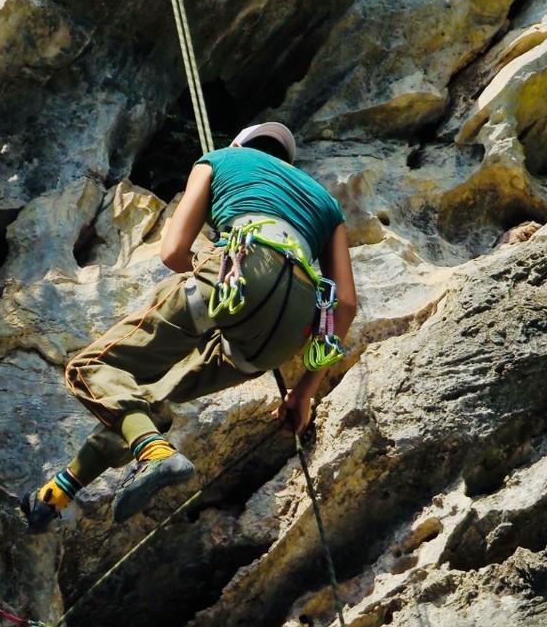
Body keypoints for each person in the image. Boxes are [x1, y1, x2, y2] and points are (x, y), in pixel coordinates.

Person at [22, 121, 358, 530]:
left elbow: (173, 251)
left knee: (91, 368)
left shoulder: (220, 159)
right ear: (288, 163)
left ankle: (155, 453)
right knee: (144, 402)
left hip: (238, 272)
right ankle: (56, 494)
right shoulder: (325, 203)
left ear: (238, 144)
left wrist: (221, 289)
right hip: (289, 329)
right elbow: (346, 304)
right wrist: (303, 394)